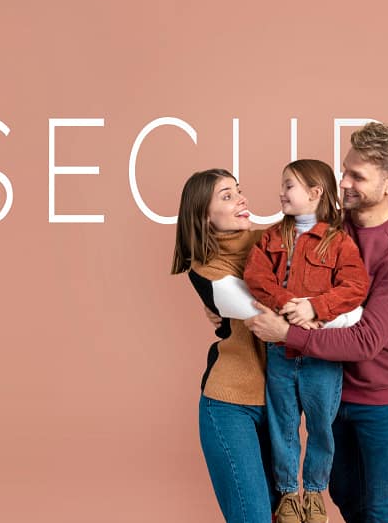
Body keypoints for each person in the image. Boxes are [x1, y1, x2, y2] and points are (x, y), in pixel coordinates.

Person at [244, 122, 388, 523]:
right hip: (330, 391)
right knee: (345, 500)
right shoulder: (327, 226)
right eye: (344, 170)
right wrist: (217, 293)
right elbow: (266, 257)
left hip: (381, 400)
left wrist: (286, 334)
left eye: (357, 176)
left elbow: (365, 341)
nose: (342, 182)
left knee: (381, 512)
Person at [243, 159, 369, 523]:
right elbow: (256, 275)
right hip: (281, 352)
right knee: (282, 425)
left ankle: (313, 493)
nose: (281, 193)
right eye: (282, 186)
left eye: (289, 186)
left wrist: (316, 308)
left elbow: (356, 287)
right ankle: (286, 494)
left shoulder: (338, 241)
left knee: (320, 427)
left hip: (322, 358)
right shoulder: (272, 236)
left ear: (315, 193)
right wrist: (285, 303)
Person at [171, 168, 278, 523]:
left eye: (239, 191)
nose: (241, 199)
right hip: (230, 404)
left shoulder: (272, 240)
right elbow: (266, 315)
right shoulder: (205, 270)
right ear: (204, 214)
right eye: (227, 196)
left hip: (277, 405)